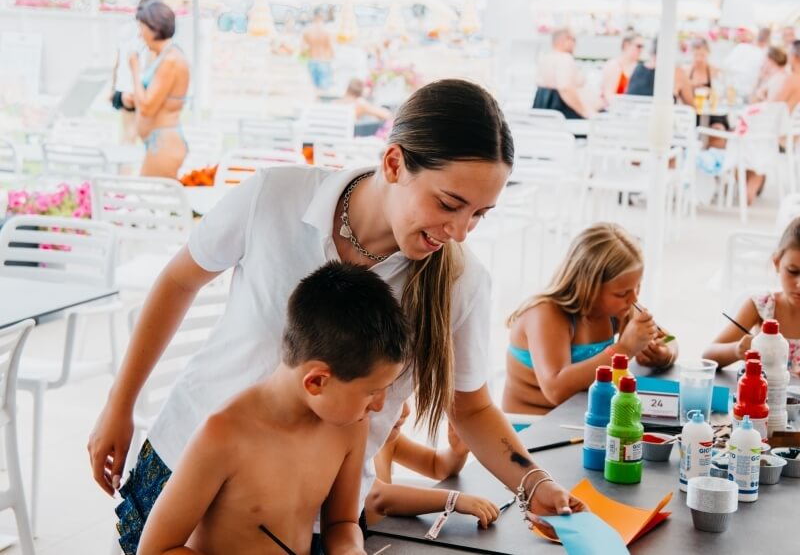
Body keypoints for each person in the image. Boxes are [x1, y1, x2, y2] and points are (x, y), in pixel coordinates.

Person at [88, 79, 586, 555]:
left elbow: (471, 408)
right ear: (394, 163)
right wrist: (119, 402)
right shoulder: (275, 197)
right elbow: (180, 281)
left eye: (480, 214)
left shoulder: (461, 282)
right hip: (182, 466)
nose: (460, 231)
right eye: (449, 203)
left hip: (310, 513)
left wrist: (532, 480)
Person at [138, 262, 410, 555]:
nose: (381, 405)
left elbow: (342, 522)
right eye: (372, 392)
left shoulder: (351, 425)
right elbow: (156, 549)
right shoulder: (222, 436)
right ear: (317, 381)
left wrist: (350, 551)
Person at [503, 223, 677, 416]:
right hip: (532, 428)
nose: (634, 298)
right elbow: (555, 390)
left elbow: (670, 340)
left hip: (582, 420)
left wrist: (664, 354)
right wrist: (624, 349)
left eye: (637, 287)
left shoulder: (619, 308)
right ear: (588, 286)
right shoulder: (546, 314)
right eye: (622, 293)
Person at [365, 401, 499, 530]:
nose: (407, 410)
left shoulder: (389, 441)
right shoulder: (353, 447)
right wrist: (453, 500)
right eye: (396, 400)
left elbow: (436, 466)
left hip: (387, 535)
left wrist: (457, 451)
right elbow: (378, 497)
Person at [704, 216, 800, 375]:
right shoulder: (763, 306)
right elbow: (708, 355)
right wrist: (737, 350)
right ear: (776, 263)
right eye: (792, 271)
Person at [129, 0, 190, 178]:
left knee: (149, 200)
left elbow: (148, 108)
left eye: (141, 28)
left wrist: (134, 70)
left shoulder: (171, 60)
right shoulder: (163, 57)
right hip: (158, 141)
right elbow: (154, 98)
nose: (140, 35)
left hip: (164, 144)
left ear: (153, 28)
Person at [109, 0, 160, 145]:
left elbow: (116, 63)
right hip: (138, 90)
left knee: (127, 135)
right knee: (141, 136)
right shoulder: (151, 32)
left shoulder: (125, 30)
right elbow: (151, 67)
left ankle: (122, 167)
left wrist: (112, 88)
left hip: (123, 87)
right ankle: (130, 167)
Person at [533, 28, 590, 119]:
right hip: (561, 112)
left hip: (543, 109)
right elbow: (565, 88)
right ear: (565, 40)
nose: (575, 44)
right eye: (573, 39)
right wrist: (585, 112)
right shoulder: (564, 58)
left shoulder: (546, 58)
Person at [626, 38, 694, 106]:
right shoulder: (677, 73)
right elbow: (692, 108)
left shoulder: (635, 68)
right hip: (660, 116)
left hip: (632, 115)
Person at [600, 32, 645, 108]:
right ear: (626, 45)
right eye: (639, 46)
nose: (641, 50)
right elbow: (608, 96)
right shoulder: (613, 66)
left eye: (642, 47)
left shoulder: (639, 68)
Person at [722, 28, 767, 101]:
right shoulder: (761, 53)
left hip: (735, 89)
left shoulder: (740, 48)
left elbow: (725, 65)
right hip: (745, 91)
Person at [303, 8, 335, 91]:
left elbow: (303, 49)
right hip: (324, 60)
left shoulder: (307, 31)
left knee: (314, 90)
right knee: (325, 90)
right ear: (322, 17)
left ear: (314, 17)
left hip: (312, 60)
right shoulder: (327, 31)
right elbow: (331, 48)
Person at [772, 39, 800, 113]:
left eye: (789, 53)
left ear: (794, 56)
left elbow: (774, 105)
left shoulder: (792, 79)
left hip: (786, 121)